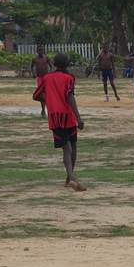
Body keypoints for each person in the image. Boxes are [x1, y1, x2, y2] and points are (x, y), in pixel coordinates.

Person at [32, 53, 86, 192]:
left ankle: (70, 178)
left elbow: (36, 95)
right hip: (68, 116)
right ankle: (71, 178)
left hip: (55, 116)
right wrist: (78, 117)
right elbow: (70, 97)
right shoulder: (69, 78)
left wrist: (50, 99)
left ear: (54, 64)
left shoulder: (46, 78)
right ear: (67, 64)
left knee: (66, 148)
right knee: (72, 146)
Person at [31, 45, 53, 117]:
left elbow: (51, 66)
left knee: (47, 93)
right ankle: (43, 109)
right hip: (39, 78)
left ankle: (48, 109)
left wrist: (50, 74)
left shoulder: (46, 58)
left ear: (44, 51)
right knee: (41, 94)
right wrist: (34, 73)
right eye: (39, 50)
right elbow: (32, 67)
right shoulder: (34, 59)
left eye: (42, 50)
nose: (41, 51)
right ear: (37, 51)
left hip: (46, 78)